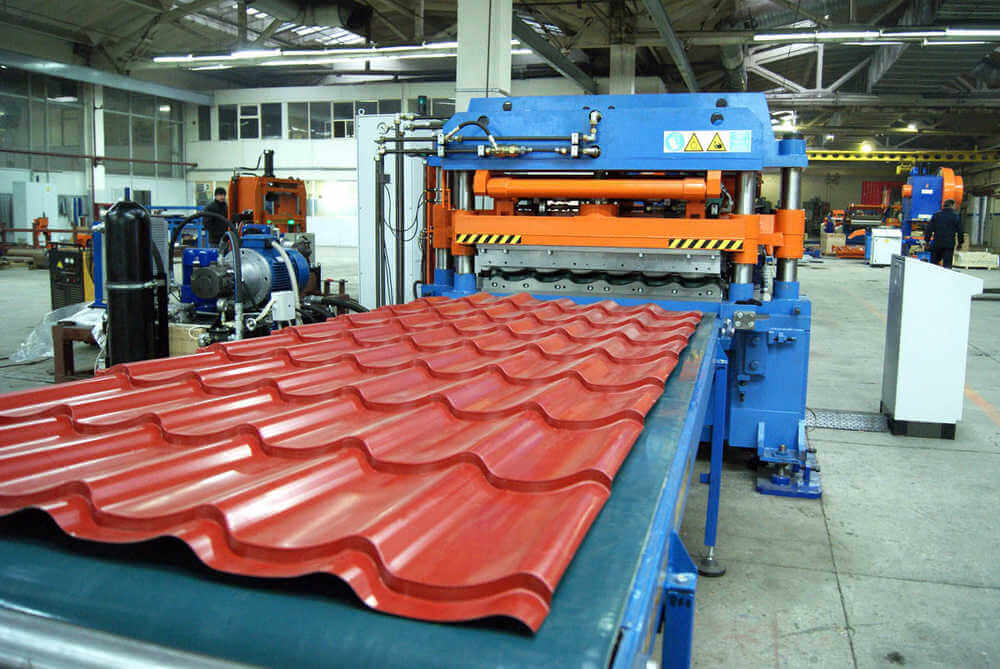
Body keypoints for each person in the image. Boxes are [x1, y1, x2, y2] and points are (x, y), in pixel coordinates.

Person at [925, 198, 963, 269]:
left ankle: (934, 274)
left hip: (937, 243)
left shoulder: (936, 215)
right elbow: (960, 231)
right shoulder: (955, 216)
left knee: (934, 265)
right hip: (949, 244)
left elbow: (929, 229)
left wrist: (927, 241)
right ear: (952, 206)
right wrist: (960, 243)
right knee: (947, 265)